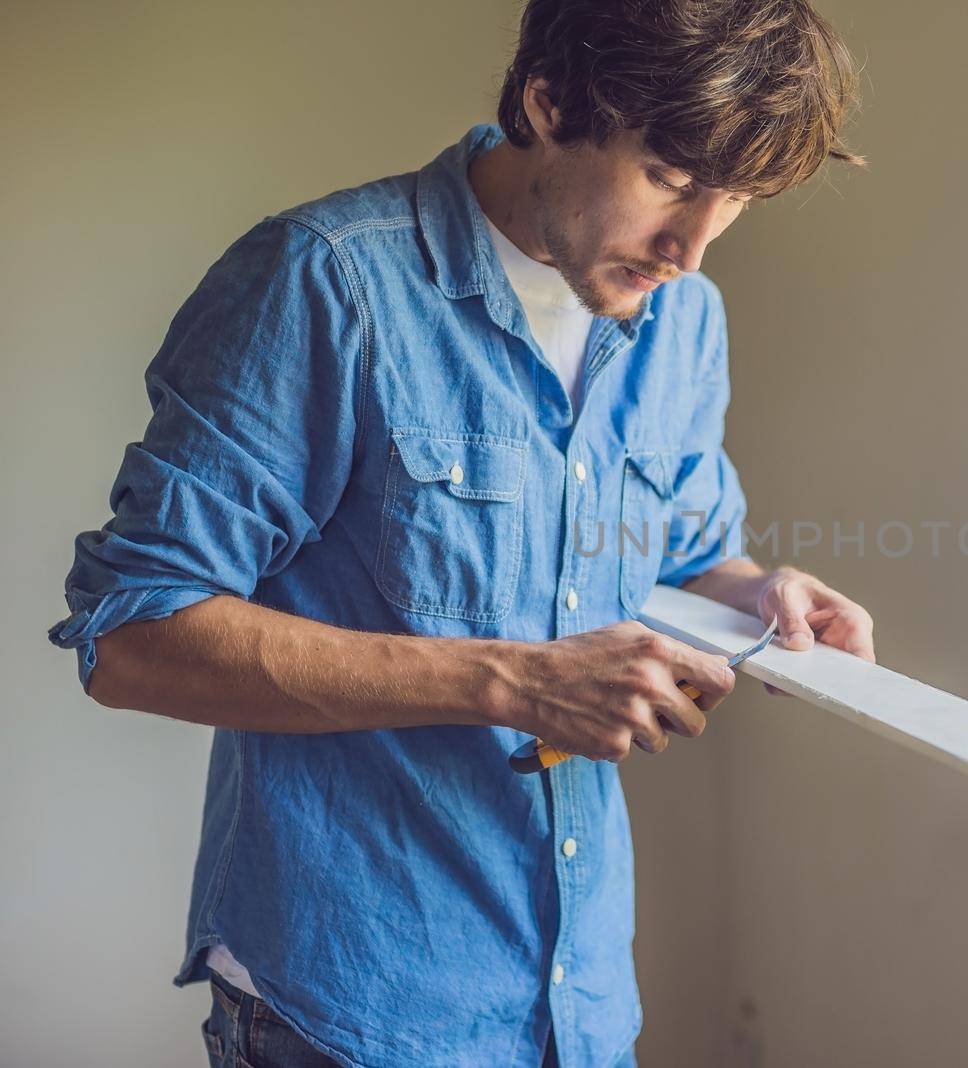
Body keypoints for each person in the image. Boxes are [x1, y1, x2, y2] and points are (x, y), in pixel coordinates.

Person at [47, 1, 873, 1064]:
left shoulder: (684, 320)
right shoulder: (322, 281)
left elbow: (681, 552)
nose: (693, 250)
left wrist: (754, 595)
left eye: (737, 200)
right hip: (349, 1007)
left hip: (581, 1010)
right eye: (669, 178)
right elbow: (132, 636)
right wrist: (513, 683)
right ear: (548, 102)